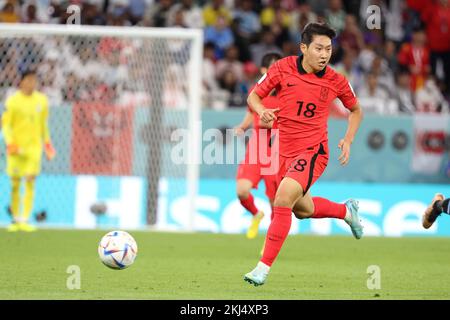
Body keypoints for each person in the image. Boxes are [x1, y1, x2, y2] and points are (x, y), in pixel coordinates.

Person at [244, 22, 364, 286]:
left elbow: (356, 110)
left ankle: (262, 268)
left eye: (329, 49)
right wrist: (261, 109)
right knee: (303, 210)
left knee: (283, 198)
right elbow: (254, 96)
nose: (324, 54)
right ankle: (346, 211)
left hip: (313, 152)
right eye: (319, 48)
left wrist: (348, 139)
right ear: (304, 48)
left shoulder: (336, 80)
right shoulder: (282, 67)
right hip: (284, 152)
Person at [234, 52, 282, 240]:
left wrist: (266, 122)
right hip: (256, 149)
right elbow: (251, 113)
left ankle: (270, 241)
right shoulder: (256, 90)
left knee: (275, 201)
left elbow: (281, 122)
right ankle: (256, 214)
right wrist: (242, 126)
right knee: (241, 190)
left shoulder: (287, 93)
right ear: (264, 70)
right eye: (273, 68)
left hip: (276, 150)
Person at [2, 70, 56, 232]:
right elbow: (6, 125)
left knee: (30, 181)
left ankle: (24, 219)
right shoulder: (12, 101)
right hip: (16, 149)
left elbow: (43, 125)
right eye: (29, 80)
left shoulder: (42, 101)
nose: (32, 83)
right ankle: (15, 220)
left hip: (34, 149)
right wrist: (10, 142)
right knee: (15, 184)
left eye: (34, 80)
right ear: (22, 82)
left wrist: (47, 145)